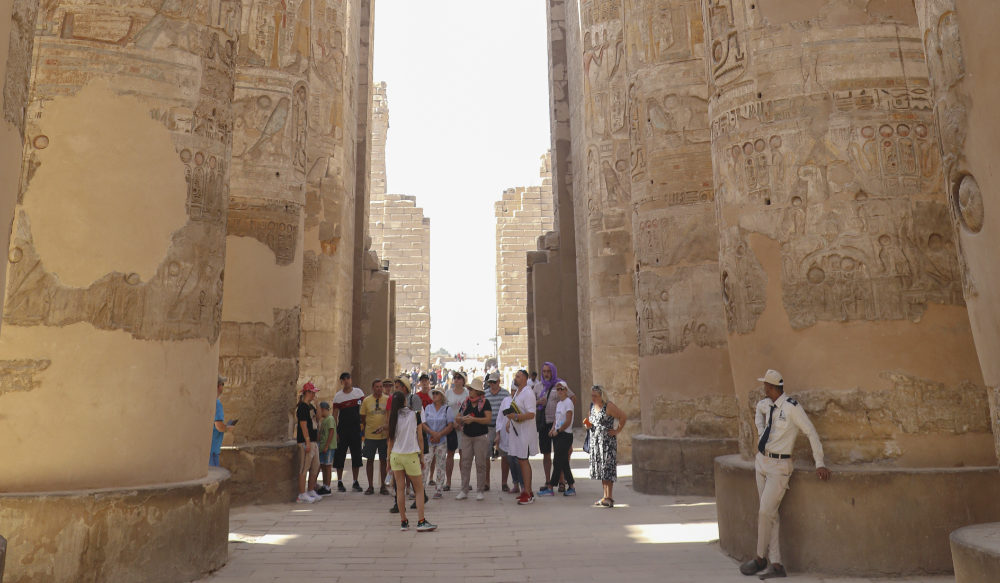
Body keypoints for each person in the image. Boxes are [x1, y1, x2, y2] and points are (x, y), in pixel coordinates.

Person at [740, 369, 831, 579]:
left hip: (780, 466)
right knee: (771, 513)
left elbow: (810, 431)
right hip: (762, 461)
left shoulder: (792, 408)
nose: (764, 389)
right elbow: (758, 413)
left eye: (766, 386)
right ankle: (777, 565)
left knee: (765, 511)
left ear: (772, 388)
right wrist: (761, 430)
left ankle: (760, 558)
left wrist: (819, 462)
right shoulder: (765, 404)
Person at [387, 390, 437, 532]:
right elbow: (420, 437)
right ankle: (421, 521)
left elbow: (390, 440)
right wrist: (421, 456)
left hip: (396, 455)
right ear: (405, 401)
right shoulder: (415, 415)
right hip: (410, 455)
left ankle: (403, 521)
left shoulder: (393, 417)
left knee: (400, 490)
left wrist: (387, 460)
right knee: (419, 489)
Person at [583, 385, 626, 508]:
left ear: (601, 396)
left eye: (595, 396)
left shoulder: (609, 406)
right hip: (596, 442)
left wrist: (617, 430)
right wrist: (588, 424)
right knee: (601, 470)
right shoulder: (592, 406)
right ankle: (604, 495)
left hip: (607, 443)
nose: (593, 398)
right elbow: (591, 421)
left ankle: (609, 497)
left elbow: (623, 416)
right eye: (592, 396)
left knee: (608, 469)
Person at [454, 377, 492, 501]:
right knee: (465, 463)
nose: (469, 391)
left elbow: (488, 419)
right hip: (467, 436)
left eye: (472, 389)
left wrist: (474, 419)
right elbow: (458, 417)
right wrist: (464, 419)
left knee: (480, 464)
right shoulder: (466, 402)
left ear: (478, 391)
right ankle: (464, 490)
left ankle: (480, 490)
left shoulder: (485, 403)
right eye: (469, 389)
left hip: (480, 437)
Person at [506, 370, 540, 505]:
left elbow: (531, 414)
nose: (516, 378)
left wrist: (515, 417)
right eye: (515, 376)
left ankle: (528, 492)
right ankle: (526, 491)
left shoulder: (528, 393)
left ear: (525, 379)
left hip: (525, 433)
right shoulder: (518, 393)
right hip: (517, 432)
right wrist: (509, 419)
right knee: (520, 460)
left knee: (523, 460)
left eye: (518, 376)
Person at [332, 372, 365, 492]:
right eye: (344, 379)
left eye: (348, 378)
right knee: (340, 455)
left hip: (356, 429)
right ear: (341, 382)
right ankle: (340, 481)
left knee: (356, 455)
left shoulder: (359, 393)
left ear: (351, 380)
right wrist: (335, 432)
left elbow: (363, 409)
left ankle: (355, 481)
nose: (346, 381)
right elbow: (334, 415)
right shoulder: (338, 397)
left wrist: (363, 426)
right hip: (343, 430)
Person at [534, 361, 563, 495]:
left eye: (548, 371)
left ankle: (561, 481)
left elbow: (571, 399)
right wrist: (538, 402)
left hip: (557, 423)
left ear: (553, 372)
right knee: (546, 454)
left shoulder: (560, 385)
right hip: (543, 424)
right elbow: (530, 403)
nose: (546, 374)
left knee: (559, 453)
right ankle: (548, 481)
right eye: (544, 371)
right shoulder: (538, 387)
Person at [421, 387, 454, 498]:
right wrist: (432, 433)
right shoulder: (428, 408)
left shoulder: (447, 409)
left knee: (440, 464)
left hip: (441, 441)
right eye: (433, 393)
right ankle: (421, 488)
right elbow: (423, 423)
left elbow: (450, 425)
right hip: (430, 440)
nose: (434, 395)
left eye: (437, 393)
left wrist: (439, 434)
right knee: (425, 463)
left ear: (442, 397)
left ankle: (439, 488)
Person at [360, 379, 390, 495]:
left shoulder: (387, 399)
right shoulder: (367, 401)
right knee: (370, 460)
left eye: (380, 386)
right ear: (373, 388)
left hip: (383, 436)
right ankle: (370, 486)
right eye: (376, 387)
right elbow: (363, 417)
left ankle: (383, 485)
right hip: (370, 436)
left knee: (383, 461)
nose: (379, 388)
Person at [295, 382, 322, 503]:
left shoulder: (310, 407)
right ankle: (301, 493)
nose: (314, 394)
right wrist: (307, 441)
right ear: (308, 392)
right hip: (306, 441)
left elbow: (319, 418)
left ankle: (311, 490)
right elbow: (303, 424)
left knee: (315, 466)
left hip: (313, 440)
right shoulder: (302, 407)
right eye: (313, 392)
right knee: (304, 467)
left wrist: (317, 404)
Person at [548, 381, 576, 496]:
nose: (559, 391)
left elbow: (568, 421)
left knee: (557, 461)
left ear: (566, 390)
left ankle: (550, 486)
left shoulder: (568, 403)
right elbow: (557, 419)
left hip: (565, 435)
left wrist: (558, 431)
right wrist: (552, 428)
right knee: (564, 462)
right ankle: (571, 486)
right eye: (557, 389)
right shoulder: (559, 403)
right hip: (558, 434)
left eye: (561, 389)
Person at [444, 371, 469, 491]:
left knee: (464, 455)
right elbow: (444, 409)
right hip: (451, 427)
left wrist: (461, 423)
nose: (457, 379)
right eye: (455, 377)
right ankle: (448, 482)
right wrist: (452, 423)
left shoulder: (468, 393)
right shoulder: (448, 393)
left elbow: (470, 409)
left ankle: (465, 481)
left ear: (464, 380)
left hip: (464, 427)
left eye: (460, 378)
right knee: (450, 454)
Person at [483, 372, 510, 484]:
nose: (492, 384)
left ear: (499, 382)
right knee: (486, 455)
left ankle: (504, 483)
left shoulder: (505, 394)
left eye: (494, 382)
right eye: (490, 382)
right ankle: (486, 482)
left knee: (505, 455)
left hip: (502, 427)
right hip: (488, 427)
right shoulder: (484, 394)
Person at [495, 389, 523, 494]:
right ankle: (515, 484)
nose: (513, 392)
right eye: (512, 390)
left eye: (515, 390)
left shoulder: (521, 400)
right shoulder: (506, 400)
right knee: (509, 460)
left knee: (518, 461)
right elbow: (500, 418)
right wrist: (498, 434)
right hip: (505, 437)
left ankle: (523, 485)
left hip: (518, 436)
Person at [210, 375, 234, 467]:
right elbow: (219, 426)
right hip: (212, 451)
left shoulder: (207, 401)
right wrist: (227, 428)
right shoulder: (217, 404)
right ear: (218, 386)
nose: (223, 387)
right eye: (222, 384)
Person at [316, 401, 337, 496]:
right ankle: (324, 485)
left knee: (328, 466)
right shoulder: (324, 420)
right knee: (323, 466)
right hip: (323, 447)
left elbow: (331, 432)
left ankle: (328, 487)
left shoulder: (330, 419)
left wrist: (327, 445)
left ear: (323, 410)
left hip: (328, 447)